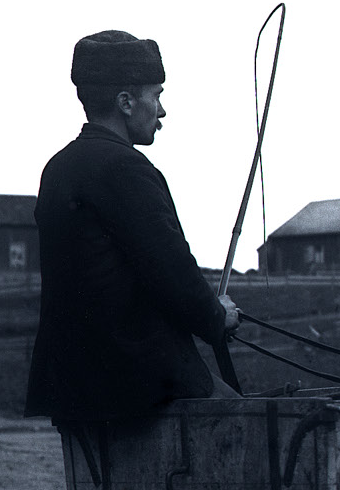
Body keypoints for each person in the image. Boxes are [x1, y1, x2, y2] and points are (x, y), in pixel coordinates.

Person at [25, 29, 240, 423]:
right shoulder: (126, 168)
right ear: (126, 102)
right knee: (248, 421)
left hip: (72, 384)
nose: (161, 111)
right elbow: (172, 272)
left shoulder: (57, 168)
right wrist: (216, 315)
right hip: (135, 379)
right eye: (156, 95)